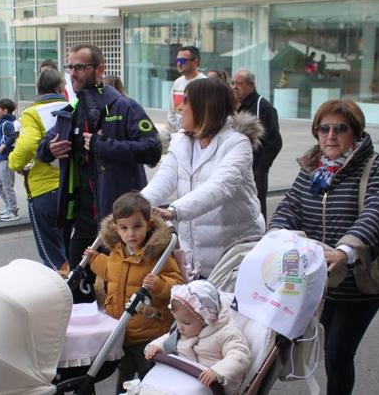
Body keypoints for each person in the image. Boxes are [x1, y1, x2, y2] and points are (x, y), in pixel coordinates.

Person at [269, 99, 379, 395]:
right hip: (319, 281)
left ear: (356, 132)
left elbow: (377, 212)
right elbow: (290, 207)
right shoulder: (314, 168)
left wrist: (345, 251)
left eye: (341, 129)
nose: (331, 136)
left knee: (338, 352)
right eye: (323, 129)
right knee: (326, 349)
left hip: (359, 281)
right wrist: (274, 236)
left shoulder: (377, 166)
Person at [37, 44, 161, 302]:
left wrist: (102, 146)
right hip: (82, 216)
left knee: (125, 286)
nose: (73, 73)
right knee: (77, 284)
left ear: (100, 69)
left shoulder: (124, 107)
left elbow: (152, 149)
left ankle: (122, 337)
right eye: (69, 67)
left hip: (121, 218)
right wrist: (49, 149)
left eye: (80, 67)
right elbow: (41, 150)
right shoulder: (70, 111)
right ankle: (88, 338)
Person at [141, 77, 264, 279]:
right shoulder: (181, 141)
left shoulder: (237, 143)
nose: (180, 107)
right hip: (195, 256)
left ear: (205, 107)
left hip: (233, 254)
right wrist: (138, 205)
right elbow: (165, 178)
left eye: (187, 100)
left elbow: (220, 187)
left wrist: (174, 211)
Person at [84, 192, 184, 393]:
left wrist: (159, 285)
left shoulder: (157, 254)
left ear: (148, 224)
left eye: (137, 226)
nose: (131, 234)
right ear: (116, 229)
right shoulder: (117, 252)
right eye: (124, 228)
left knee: (150, 377)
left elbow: (177, 284)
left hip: (149, 332)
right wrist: (95, 260)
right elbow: (113, 272)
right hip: (121, 330)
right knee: (124, 378)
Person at [145, 280, 252, 395]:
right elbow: (170, 338)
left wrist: (217, 372)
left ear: (205, 319)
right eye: (177, 321)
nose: (180, 328)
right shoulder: (185, 330)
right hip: (183, 379)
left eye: (186, 323)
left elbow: (240, 355)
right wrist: (156, 346)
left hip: (210, 386)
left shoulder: (226, 333)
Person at [9, 68, 69, 271]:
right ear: (60, 88)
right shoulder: (71, 107)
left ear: (38, 89)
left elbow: (26, 145)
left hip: (43, 190)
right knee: (72, 248)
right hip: (72, 187)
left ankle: (64, 295)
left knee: (52, 256)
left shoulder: (32, 113)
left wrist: (14, 163)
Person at [231, 69, 283, 219]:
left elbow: (275, 142)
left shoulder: (263, 107)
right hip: (235, 169)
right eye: (233, 83)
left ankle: (259, 240)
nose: (235, 86)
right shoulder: (233, 106)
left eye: (239, 83)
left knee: (256, 210)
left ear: (251, 86)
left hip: (255, 171)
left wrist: (260, 169)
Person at [0, 98, 20, 222]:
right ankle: (10, 206)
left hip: (5, 158)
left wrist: (3, 146)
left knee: (7, 185)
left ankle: (13, 211)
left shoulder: (6, 124)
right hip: (1, 159)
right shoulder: (4, 123)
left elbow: (14, 136)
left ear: (5, 110)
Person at [168, 46, 206, 133]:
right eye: (177, 60)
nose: (179, 64)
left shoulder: (204, 82)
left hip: (196, 133)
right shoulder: (177, 82)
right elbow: (172, 111)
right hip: (178, 133)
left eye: (182, 60)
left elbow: (206, 112)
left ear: (195, 62)